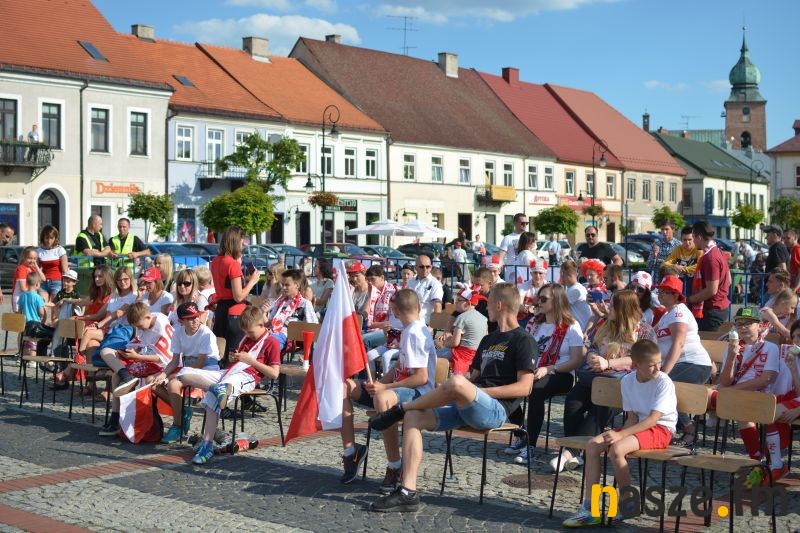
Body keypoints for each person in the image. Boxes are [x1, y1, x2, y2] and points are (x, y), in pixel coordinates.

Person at [367, 283, 536, 512]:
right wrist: (451, 386)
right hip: (467, 403)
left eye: (488, 303)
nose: (485, 308)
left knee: (456, 383)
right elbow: (472, 377)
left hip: (495, 410)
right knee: (414, 417)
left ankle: (401, 408)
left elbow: (525, 388)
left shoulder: (523, 339)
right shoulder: (488, 339)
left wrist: (471, 390)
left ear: (499, 305)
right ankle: (408, 491)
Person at [562, 339, 676, 527]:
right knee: (592, 446)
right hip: (639, 425)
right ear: (636, 365)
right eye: (651, 365)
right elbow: (632, 418)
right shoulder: (628, 381)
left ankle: (627, 503)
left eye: (659, 362)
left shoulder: (664, 381)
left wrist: (620, 436)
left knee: (617, 449)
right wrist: (619, 433)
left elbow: (652, 420)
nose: (658, 368)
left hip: (661, 428)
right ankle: (590, 508)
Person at [340, 289, 438, 489]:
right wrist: (378, 383)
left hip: (419, 394)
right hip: (399, 389)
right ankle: (351, 451)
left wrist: (385, 387)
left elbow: (421, 378)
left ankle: (395, 466)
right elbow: (400, 366)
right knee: (346, 387)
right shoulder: (409, 330)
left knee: (382, 398)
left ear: (395, 311)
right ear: (419, 308)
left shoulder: (416, 334)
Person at [553, 289, 656, 472]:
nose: (608, 307)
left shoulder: (644, 331)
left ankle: (569, 452)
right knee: (573, 402)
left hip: (621, 384)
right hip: (595, 377)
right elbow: (593, 346)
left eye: (613, 305)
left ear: (623, 309)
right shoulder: (606, 325)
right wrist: (592, 356)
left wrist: (608, 363)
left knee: (599, 410)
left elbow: (640, 359)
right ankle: (577, 454)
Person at [192, 306, 281, 465]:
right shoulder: (246, 338)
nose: (248, 335)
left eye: (250, 332)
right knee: (194, 381)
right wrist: (234, 359)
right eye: (246, 332)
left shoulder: (271, 342)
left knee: (216, 395)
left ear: (261, 325)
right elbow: (238, 361)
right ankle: (207, 442)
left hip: (249, 377)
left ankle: (207, 444)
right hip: (232, 374)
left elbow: (274, 374)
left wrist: (251, 361)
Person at [511, 284, 584, 464]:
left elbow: (576, 361)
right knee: (505, 384)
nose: (538, 302)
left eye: (544, 299)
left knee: (535, 391)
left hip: (561, 374)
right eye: (538, 298)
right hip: (535, 371)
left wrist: (550, 368)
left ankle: (530, 446)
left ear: (557, 301)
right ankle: (520, 434)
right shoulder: (534, 323)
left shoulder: (571, 326)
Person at [713, 307, 778, 468]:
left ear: (760, 326)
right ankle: (759, 459)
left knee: (742, 408)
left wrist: (732, 391)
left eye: (748, 323)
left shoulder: (770, 347)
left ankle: (760, 459)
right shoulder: (732, 348)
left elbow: (766, 379)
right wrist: (731, 357)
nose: (742, 327)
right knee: (710, 396)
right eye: (739, 324)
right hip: (735, 394)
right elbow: (726, 381)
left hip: (760, 394)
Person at [98, 302, 174, 436]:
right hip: (143, 359)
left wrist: (137, 356)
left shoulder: (160, 326)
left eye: (140, 326)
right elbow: (141, 342)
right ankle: (127, 377)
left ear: (148, 317)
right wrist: (132, 351)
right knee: (106, 351)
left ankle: (115, 421)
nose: (139, 329)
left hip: (162, 366)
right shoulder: (148, 320)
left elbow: (165, 358)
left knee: (116, 376)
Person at [653, 274, 712, 446]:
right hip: (685, 363)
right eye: (659, 291)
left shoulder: (678, 312)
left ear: (675, 295)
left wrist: (664, 372)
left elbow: (678, 344)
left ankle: (689, 429)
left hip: (694, 363)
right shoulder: (668, 314)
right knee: (658, 384)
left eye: (664, 291)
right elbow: (651, 334)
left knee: (664, 384)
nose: (659, 294)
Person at [154, 302, 221, 443]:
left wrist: (174, 376)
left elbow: (200, 364)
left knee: (172, 384)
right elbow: (174, 361)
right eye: (190, 318)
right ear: (181, 321)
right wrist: (163, 375)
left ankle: (178, 424)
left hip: (207, 369)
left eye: (196, 316)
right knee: (154, 383)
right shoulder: (178, 332)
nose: (195, 320)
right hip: (188, 367)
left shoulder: (206, 333)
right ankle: (182, 414)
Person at [210, 226, 261, 360]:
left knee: (220, 355)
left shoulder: (215, 261)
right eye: (241, 243)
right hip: (234, 313)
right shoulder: (232, 264)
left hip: (221, 311)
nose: (242, 247)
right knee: (233, 357)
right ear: (235, 242)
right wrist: (252, 281)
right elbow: (238, 296)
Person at [687, 221, 731, 332]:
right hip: (717, 308)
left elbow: (711, 290)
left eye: (693, 237)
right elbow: (729, 280)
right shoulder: (718, 251)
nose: (693, 241)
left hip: (712, 311)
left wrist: (689, 299)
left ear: (699, 237)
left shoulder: (710, 258)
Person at [437, 287, 487, 376]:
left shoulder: (462, 317)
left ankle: (436, 381)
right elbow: (485, 338)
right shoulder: (484, 318)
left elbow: (455, 343)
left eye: (459, 301)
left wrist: (445, 343)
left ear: (468, 303)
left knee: (430, 355)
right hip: (477, 354)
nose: (455, 303)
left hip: (462, 354)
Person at [267, 268, 317, 350]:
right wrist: (263, 312)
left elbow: (313, 325)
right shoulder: (279, 302)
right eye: (282, 285)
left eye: (287, 285)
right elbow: (269, 322)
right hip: (274, 333)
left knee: (271, 342)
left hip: (291, 337)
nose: (283, 288)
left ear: (297, 285)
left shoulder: (305, 303)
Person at [18, 272, 53, 357]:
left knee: (25, 341)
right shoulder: (38, 297)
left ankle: (22, 356)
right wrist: (41, 317)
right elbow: (41, 312)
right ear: (37, 284)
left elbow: (19, 311)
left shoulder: (22, 295)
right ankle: (33, 359)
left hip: (24, 324)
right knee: (34, 342)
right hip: (35, 324)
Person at [407, 255, 443, 325]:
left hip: (424, 323)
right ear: (415, 268)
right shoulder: (411, 281)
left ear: (431, 267)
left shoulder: (435, 283)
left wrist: (432, 327)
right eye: (421, 267)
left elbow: (437, 306)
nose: (425, 269)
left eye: (428, 267)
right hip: (409, 321)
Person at [36, 225, 68, 302]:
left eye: (51, 238)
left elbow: (65, 270)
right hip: (43, 282)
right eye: (47, 238)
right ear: (43, 238)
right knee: (42, 305)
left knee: (55, 305)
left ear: (55, 238)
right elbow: (37, 269)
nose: (49, 241)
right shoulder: (39, 251)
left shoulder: (60, 250)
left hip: (57, 282)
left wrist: (66, 284)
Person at [559, 260, 591, 331]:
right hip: (580, 330)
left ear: (563, 274)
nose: (560, 276)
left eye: (560, 273)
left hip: (582, 331)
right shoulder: (573, 288)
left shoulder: (575, 290)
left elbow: (556, 308)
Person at [12, 247, 44, 313]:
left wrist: (37, 267)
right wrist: (36, 296)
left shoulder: (33, 268)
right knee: (20, 318)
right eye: (30, 258)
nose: (32, 261)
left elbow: (43, 278)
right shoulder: (21, 268)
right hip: (20, 298)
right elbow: (23, 288)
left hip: (30, 297)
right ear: (24, 257)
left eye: (34, 258)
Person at [498, 213, 529, 279]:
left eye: (526, 223)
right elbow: (500, 257)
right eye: (522, 223)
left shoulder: (529, 237)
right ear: (515, 223)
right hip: (512, 272)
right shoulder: (508, 238)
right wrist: (499, 267)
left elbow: (534, 255)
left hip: (526, 272)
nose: (525, 225)